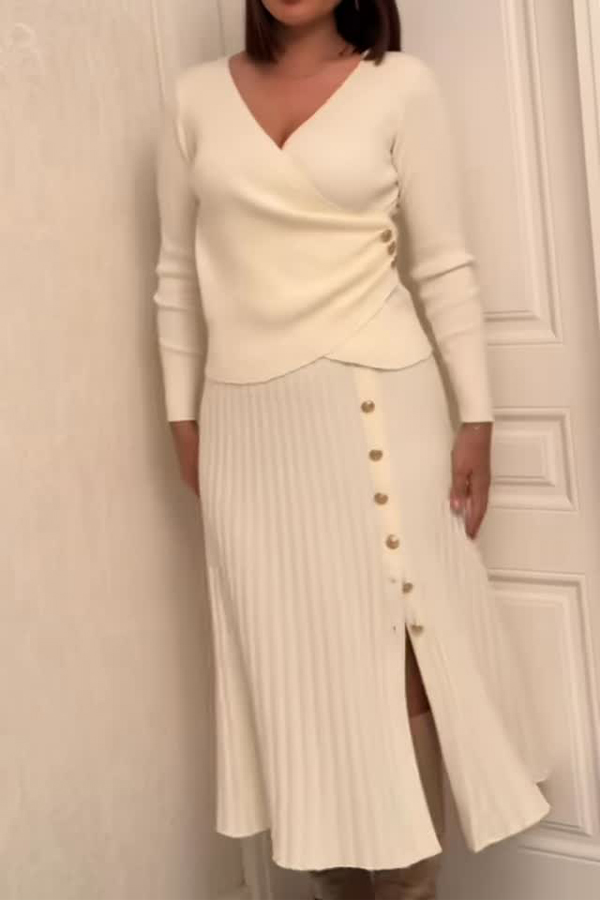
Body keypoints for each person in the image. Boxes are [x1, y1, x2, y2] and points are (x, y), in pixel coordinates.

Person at [151, 1, 551, 898]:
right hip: (247, 429)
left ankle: (409, 886)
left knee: (397, 655)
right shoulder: (193, 99)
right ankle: (336, 886)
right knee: (295, 673)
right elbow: (176, 273)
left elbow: (442, 263)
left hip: (380, 407)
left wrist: (477, 417)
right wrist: (183, 421)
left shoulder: (400, 88)